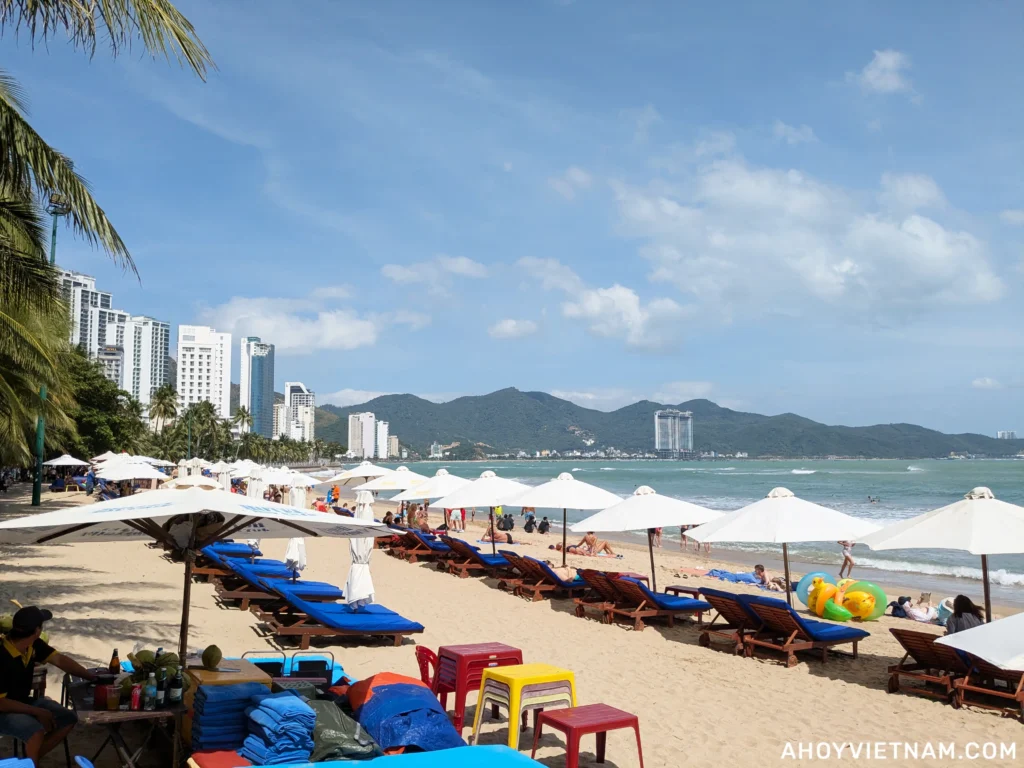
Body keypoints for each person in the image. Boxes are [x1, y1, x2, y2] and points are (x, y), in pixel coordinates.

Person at [0, 607, 98, 765]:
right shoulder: (2, 655)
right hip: (3, 709)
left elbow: (60, 660)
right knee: (35, 731)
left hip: (23, 702)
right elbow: (2, 703)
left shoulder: (33, 645)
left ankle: (28, 762)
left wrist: (92, 677)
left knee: (68, 718)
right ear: (37, 630)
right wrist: (38, 711)